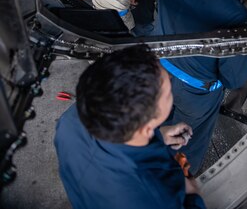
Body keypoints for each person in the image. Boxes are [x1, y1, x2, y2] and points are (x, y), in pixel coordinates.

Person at [154, 0, 247, 175]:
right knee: (184, 147)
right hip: (196, 95)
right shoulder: (235, 16)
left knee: (157, 130)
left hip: (159, 74)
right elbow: (235, 79)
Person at [54, 46, 206, 209]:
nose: (170, 76)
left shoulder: (70, 121)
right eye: (168, 92)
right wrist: (192, 195)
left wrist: (159, 134)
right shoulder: (155, 199)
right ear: (145, 128)